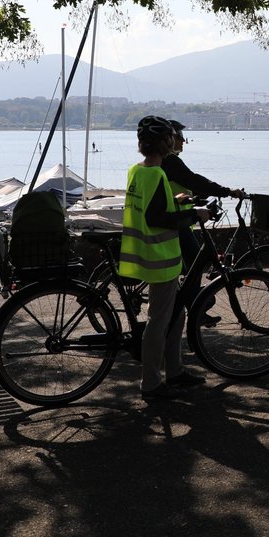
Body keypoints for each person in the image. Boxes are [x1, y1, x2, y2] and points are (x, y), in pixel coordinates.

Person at [119, 116, 210, 401]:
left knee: (176, 313)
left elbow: (152, 206)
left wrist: (179, 200)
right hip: (160, 257)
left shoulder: (136, 171)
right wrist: (195, 214)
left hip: (142, 253)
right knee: (158, 322)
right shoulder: (157, 174)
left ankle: (176, 371)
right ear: (167, 143)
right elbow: (159, 219)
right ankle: (151, 384)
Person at [162, 119, 245, 320]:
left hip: (177, 220)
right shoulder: (170, 160)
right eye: (181, 137)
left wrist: (196, 197)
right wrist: (227, 191)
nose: (184, 141)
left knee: (190, 265)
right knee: (195, 263)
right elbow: (193, 179)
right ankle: (195, 309)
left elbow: (186, 184)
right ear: (171, 138)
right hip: (174, 222)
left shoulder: (167, 161)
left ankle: (191, 305)